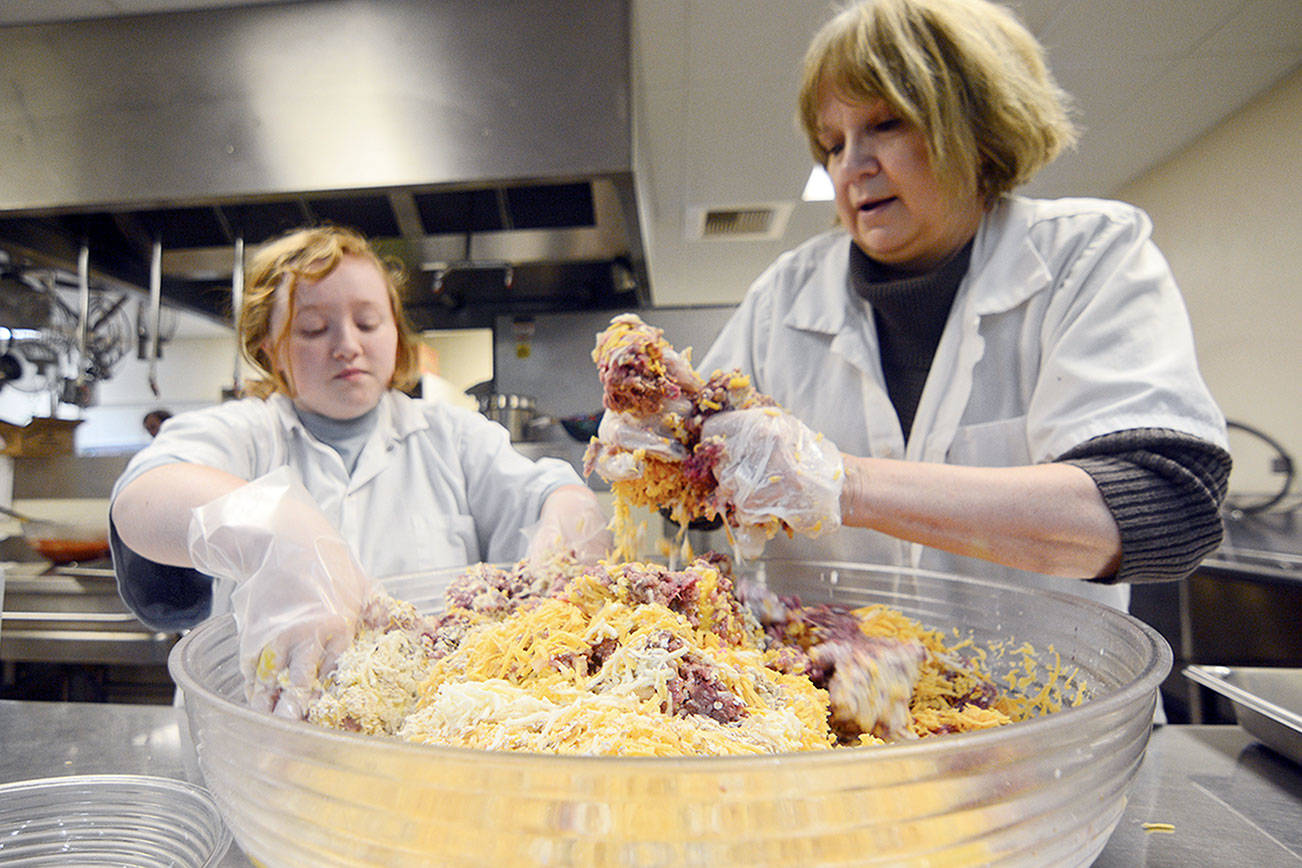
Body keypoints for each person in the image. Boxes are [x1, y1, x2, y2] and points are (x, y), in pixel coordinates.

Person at [694, 0, 1231, 616]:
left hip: (1046, 700)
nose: (852, 167)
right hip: (822, 701)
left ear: (978, 130)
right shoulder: (782, 297)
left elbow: (1167, 509)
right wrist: (654, 438)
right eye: (832, 144)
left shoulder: (1084, 257)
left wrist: (839, 482)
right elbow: (696, 479)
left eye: (887, 124)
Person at [110, 225, 608, 712]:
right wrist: (280, 529)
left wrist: (569, 516)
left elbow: (550, 497)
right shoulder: (248, 434)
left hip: (424, 758)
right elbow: (144, 497)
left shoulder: (453, 439)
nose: (347, 344)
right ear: (270, 349)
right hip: (263, 751)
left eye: (368, 323)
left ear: (395, 333)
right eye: (312, 328)